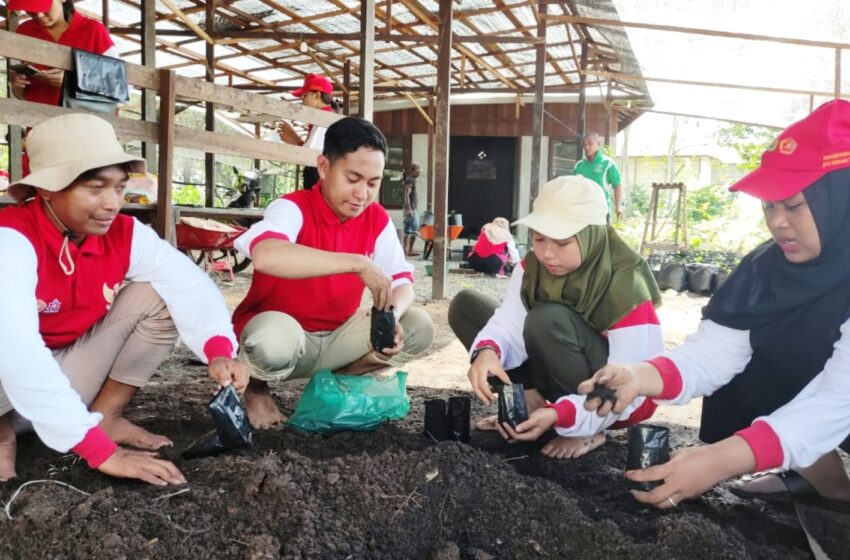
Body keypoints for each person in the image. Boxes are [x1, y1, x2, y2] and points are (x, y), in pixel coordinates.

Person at [578, 99, 850, 510]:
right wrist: (639, 375)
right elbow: (716, 354)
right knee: (754, 368)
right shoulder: (766, 268)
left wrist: (717, 461)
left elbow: (837, 399)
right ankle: (824, 482)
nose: (777, 221)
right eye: (769, 205)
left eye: (793, 204)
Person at [0, 113, 248, 486]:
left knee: (157, 295)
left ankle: (107, 415)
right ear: (48, 188)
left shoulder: (123, 234)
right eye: (95, 188)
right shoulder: (11, 239)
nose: (113, 203)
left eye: (118, 187)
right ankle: (3, 433)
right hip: (8, 376)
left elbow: (189, 283)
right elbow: (15, 349)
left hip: (56, 379)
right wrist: (101, 453)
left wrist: (218, 349)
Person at [233, 117, 435, 429]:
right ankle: (256, 389)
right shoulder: (292, 208)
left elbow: (401, 280)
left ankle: (335, 382)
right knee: (270, 341)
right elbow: (265, 255)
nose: (362, 194)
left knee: (418, 325)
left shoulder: (376, 219)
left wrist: (392, 314)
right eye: (352, 178)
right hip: (289, 341)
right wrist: (357, 263)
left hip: (339, 337)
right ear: (324, 167)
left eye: (372, 183)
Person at [448, 176, 663, 458]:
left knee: (548, 319)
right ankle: (526, 400)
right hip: (556, 362)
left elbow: (631, 380)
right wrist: (487, 351)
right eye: (538, 238)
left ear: (591, 235)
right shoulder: (531, 267)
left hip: (615, 395)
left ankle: (586, 429)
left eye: (562, 242)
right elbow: (510, 322)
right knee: (468, 305)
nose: (547, 253)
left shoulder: (625, 281)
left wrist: (563, 416)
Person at [277, 74, 340, 191]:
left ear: (317, 95)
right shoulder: (324, 118)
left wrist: (294, 138)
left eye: (305, 96)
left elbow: (310, 155)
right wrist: (295, 140)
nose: (302, 100)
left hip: (317, 175)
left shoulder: (323, 119)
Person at [574, 131, 623, 221]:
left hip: (602, 211)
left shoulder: (608, 163)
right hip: (582, 212)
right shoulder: (579, 165)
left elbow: (617, 185)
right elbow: (574, 187)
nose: (586, 147)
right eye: (584, 144)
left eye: (590, 144)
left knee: (601, 235)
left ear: (598, 144)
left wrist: (618, 207)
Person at [402, 164, 421, 257]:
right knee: (414, 230)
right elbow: (406, 194)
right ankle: (409, 250)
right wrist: (409, 208)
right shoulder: (410, 180)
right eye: (418, 171)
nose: (419, 173)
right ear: (413, 170)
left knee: (409, 230)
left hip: (411, 208)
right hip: (411, 208)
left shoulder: (411, 179)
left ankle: (407, 251)